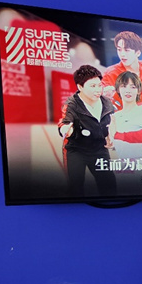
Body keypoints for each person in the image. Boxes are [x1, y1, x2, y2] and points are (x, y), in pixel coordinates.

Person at [57, 65, 117, 198]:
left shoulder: (107, 103)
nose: (98, 90)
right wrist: (66, 130)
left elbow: (112, 122)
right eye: (92, 86)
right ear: (80, 87)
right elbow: (64, 122)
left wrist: (111, 136)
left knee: (109, 186)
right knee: (75, 188)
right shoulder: (72, 104)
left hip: (99, 149)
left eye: (99, 85)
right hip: (76, 150)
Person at [110, 71, 142, 191]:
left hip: (137, 172)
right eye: (124, 86)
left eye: (133, 87)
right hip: (118, 171)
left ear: (138, 91)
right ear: (118, 89)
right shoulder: (115, 117)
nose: (128, 91)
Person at [101, 31, 142, 111]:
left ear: (138, 53)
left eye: (127, 50)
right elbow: (99, 94)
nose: (122, 54)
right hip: (122, 117)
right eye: (119, 50)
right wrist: (104, 93)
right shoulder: (110, 73)